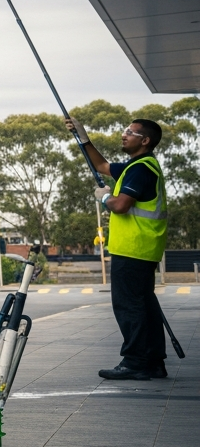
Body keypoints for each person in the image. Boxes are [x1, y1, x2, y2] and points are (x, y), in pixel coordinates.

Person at [67, 117, 168, 381]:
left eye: (130, 133)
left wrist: (105, 198)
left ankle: (135, 362)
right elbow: (100, 165)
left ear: (144, 141)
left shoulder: (141, 169)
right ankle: (154, 362)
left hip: (133, 249)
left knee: (129, 307)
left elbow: (121, 205)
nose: (124, 135)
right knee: (145, 306)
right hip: (141, 250)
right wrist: (83, 137)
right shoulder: (134, 166)